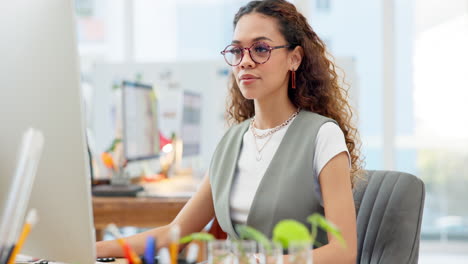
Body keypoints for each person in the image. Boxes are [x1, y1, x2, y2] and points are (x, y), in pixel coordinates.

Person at [97, 0, 361, 263]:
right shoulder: (233, 141)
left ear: (294, 58)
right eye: (237, 51)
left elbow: (343, 252)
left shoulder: (322, 135)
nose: (245, 61)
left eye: (260, 49)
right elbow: (173, 233)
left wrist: (260, 261)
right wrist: (94, 249)